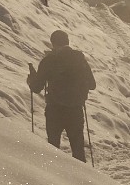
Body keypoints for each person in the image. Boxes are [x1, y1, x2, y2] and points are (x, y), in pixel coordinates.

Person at [27, 30, 96, 161]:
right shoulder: (79, 59)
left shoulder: (49, 60)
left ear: (53, 43)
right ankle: (82, 180)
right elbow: (92, 84)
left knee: (53, 150)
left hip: (55, 110)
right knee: (78, 151)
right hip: (75, 110)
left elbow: (36, 88)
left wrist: (31, 80)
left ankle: (55, 179)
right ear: (68, 41)